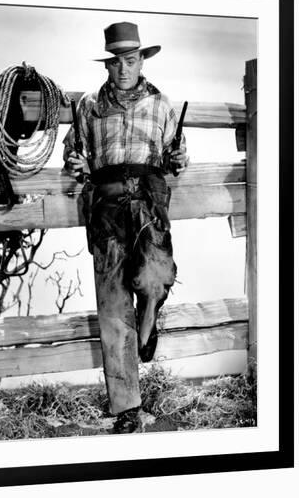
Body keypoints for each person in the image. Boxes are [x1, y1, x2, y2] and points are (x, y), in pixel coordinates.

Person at [63, 22, 189, 433]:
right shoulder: (88, 106)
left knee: (156, 277)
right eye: (115, 62)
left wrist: (179, 159)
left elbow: (176, 157)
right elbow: (74, 154)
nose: (122, 69)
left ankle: (150, 317)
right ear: (108, 65)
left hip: (149, 201)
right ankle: (126, 409)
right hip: (106, 206)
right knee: (113, 303)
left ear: (141, 62)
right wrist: (77, 165)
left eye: (130, 61)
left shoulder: (162, 106)